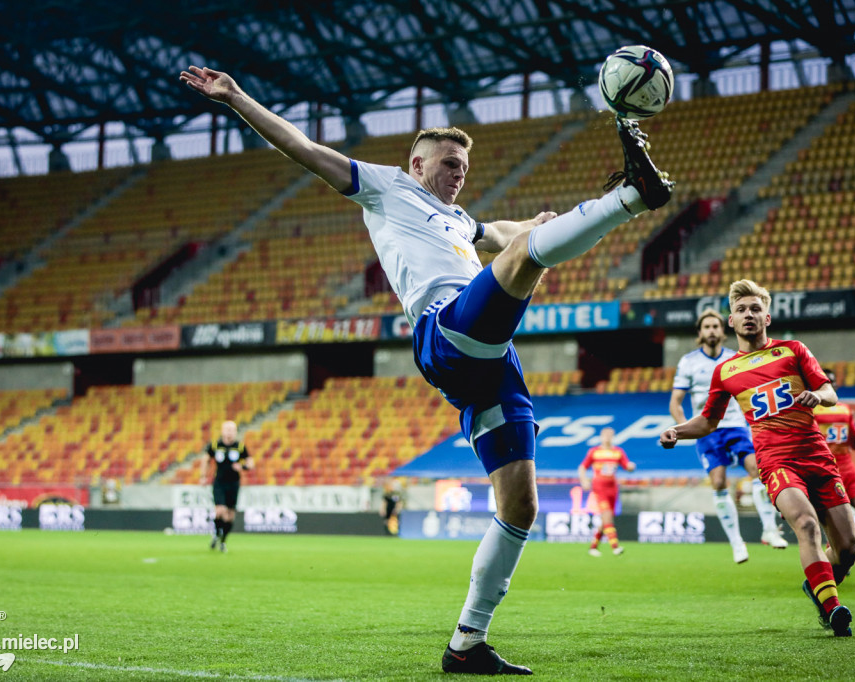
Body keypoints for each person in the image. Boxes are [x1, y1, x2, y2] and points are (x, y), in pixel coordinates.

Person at [181, 64, 673, 675]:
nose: (458, 173)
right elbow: (304, 149)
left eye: (463, 167)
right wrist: (235, 96)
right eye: (447, 163)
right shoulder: (385, 186)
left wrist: (545, 223)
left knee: (520, 505)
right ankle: (632, 198)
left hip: (493, 364)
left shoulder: (460, 222)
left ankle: (466, 644)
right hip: (444, 331)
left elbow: (503, 233)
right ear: (417, 164)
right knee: (526, 259)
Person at [660, 280, 855, 637]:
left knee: (848, 550)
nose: (748, 315)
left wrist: (817, 394)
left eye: (754, 309)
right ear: (731, 322)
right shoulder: (726, 372)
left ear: (767, 316)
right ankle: (832, 608)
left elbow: (830, 390)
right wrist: (678, 431)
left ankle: (817, 585)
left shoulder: (793, 350)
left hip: (817, 455)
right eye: (741, 310)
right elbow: (708, 420)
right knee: (807, 524)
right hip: (776, 461)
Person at [669, 309, 787, 564]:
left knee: (757, 469)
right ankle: (736, 542)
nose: (712, 330)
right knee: (719, 481)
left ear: (723, 331)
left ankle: (769, 529)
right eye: (707, 327)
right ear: (700, 333)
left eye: (715, 326)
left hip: (736, 425)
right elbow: (675, 403)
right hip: (707, 429)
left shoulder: (736, 359)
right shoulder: (688, 362)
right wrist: (684, 429)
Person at [814, 368, 855, 541]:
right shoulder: (812, 410)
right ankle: (839, 554)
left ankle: (843, 551)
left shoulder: (845, 409)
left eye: (832, 382)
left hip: (848, 470)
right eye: (827, 382)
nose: (830, 385)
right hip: (826, 472)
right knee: (835, 523)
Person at [577, 427, 635, 556]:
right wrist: (584, 481)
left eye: (610, 435)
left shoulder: (618, 452)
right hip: (599, 487)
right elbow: (582, 467)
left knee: (606, 519)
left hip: (613, 488)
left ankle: (593, 547)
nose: (607, 437)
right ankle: (615, 547)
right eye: (605, 435)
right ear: (601, 437)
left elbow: (627, 466)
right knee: (607, 515)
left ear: (613, 437)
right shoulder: (594, 452)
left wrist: (631, 467)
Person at [200, 420, 253, 553]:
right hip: (219, 482)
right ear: (222, 431)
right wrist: (203, 476)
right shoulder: (215, 445)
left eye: (232, 430)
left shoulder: (240, 447)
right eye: (227, 429)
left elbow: (250, 462)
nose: (229, 432)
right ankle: (217, 533)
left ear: (235, 432)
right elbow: (205, 459)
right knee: (220, 511)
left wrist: (242, 466)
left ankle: (222, 540)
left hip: (234, 483)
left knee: (230, 516)